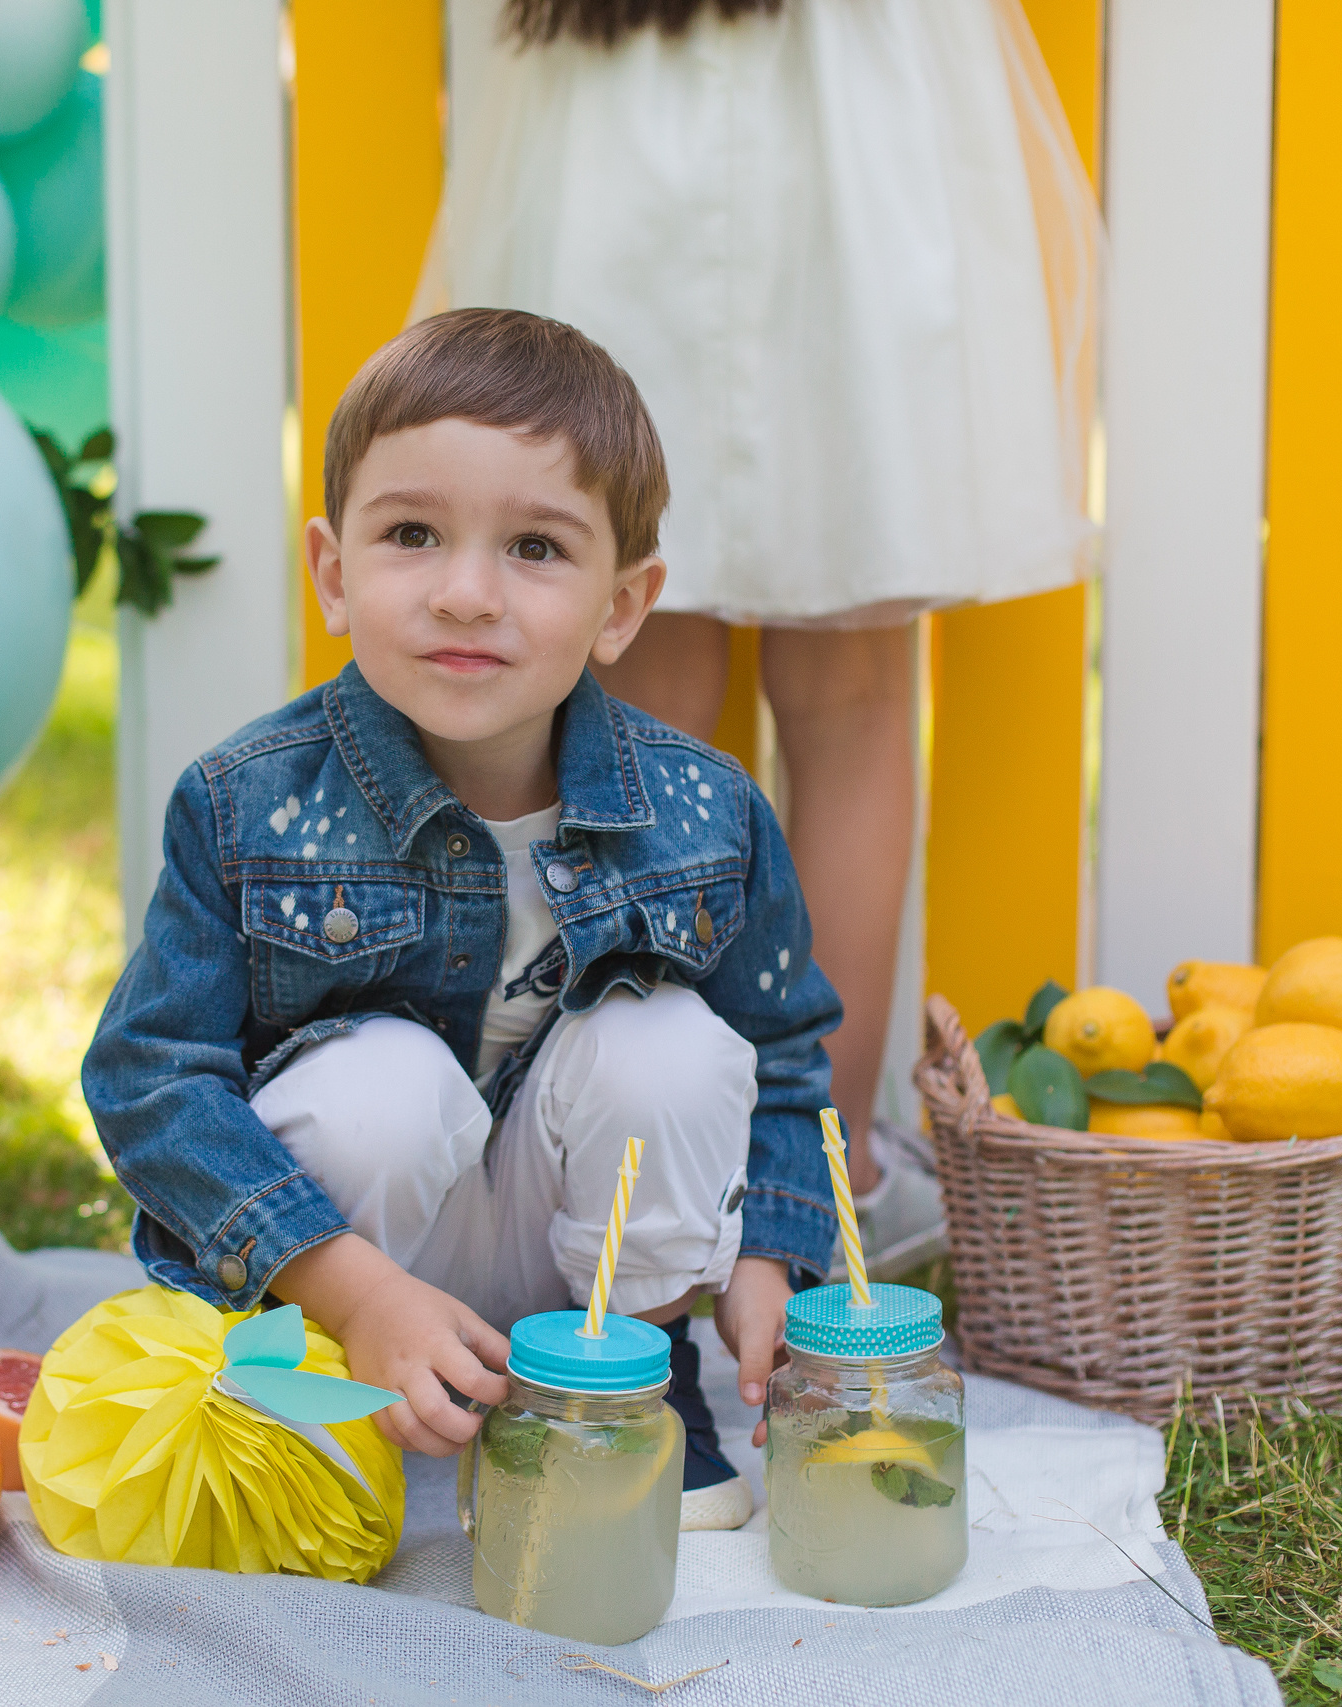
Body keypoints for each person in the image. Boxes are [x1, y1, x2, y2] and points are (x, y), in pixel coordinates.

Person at [84, 309, 841, 1532]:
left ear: (622, 604)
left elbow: (784, 1055)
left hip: (582, 1253)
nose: (467, 593)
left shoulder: (707, 813)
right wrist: (358, 1294)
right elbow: (149, 1077)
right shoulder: (246, 802)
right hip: (356, 1255)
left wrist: (768, 1259)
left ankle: (623, 1397)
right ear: (334, 572)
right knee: (375, 1085)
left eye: (536, 548)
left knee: (674, 1045)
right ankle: (331, 1400)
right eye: (413, 535)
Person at [424, 0, 1100, 1250]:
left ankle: (635, 1166)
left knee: (632, 675)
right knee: (841, 703)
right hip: (852, 97)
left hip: (626, 77)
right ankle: (820, 1184)